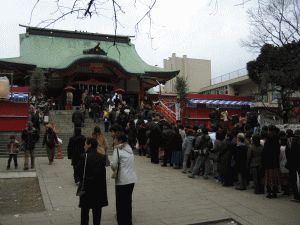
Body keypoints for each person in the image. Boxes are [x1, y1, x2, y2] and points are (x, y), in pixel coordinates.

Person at [77, 137, 108, 225]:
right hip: (98, 188)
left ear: (90, 145)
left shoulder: (84, 157)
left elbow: (78, 172)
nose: (84, 146)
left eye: (85, 144)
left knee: (85, 211)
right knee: (97, 212)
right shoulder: (102, 157)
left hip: (87, 187)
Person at [111, 132, 137, 225]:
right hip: (132, 179)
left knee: (120, 203)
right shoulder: (129, 148)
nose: (114, 141)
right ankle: (128, 221)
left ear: (120, 140)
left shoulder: (118, 150)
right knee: (127, 202)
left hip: (122, 180)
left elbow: (113, 165)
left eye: (115, 139)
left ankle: (122, 221)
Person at [261, 125, 281, 198]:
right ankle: (275, 192)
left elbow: (264, 153)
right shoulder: (277, 141)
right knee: (275, 178)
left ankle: (269, 192)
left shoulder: (267, 141)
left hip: (268, 162)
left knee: (268, 179)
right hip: (275, 162)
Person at [285, 129, 300, 202]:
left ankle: (296, 196)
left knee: (293, 180)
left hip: (292, 162)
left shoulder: (290, 141)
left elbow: (287, 152)